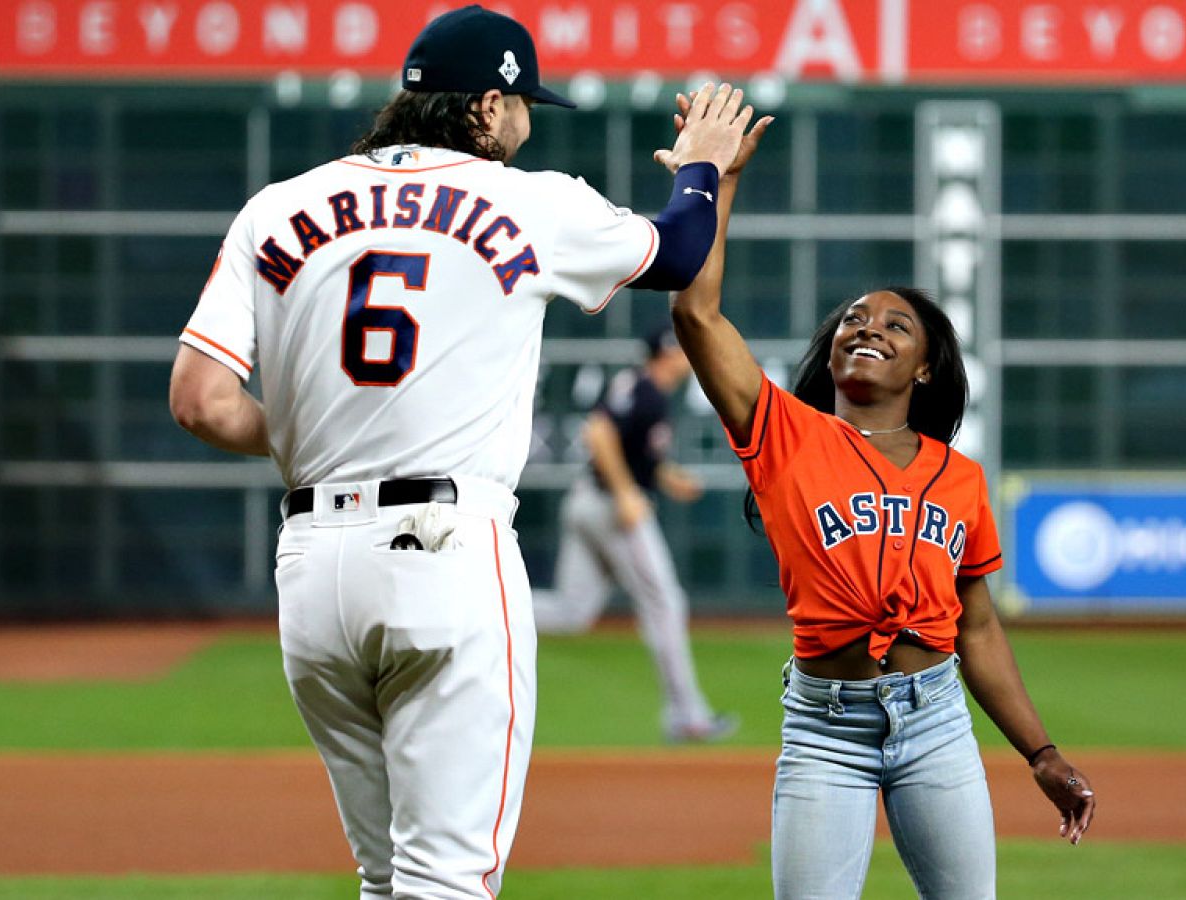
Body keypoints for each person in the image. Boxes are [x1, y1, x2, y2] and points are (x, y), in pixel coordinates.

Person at [167, 6, 754, 896]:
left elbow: (200, 401)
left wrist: (315, 436)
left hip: (312, 568)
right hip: (444, 552)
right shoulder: (527, 199)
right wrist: (704, 166)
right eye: (522, 107)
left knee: (384, 876)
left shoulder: (276, 208)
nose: (525, 125)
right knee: (446, 880)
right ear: (486, 106)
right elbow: (678, 252)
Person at [664, 94, 1097, 898]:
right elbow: (695, 310)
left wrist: (1041, 753)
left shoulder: (958, 477)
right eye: (853, 319)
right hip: (825, 728)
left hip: (936, 722)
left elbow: (979, 626)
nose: (867, 327)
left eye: (896, 326)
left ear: (925, 367)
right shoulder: (781, 432)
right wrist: (714, 180)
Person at [533, 325, 736, 743]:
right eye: (680, 350)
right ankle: (688, 716)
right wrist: (627, 492)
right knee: (665, 602)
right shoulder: (648, 391)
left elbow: (631, 448)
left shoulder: (639, 386)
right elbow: (599, 433)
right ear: (667, 353)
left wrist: (664, 476)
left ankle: (489, 607)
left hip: (589, 501)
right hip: (610, 507)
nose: (686, 357)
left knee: (571, 612)